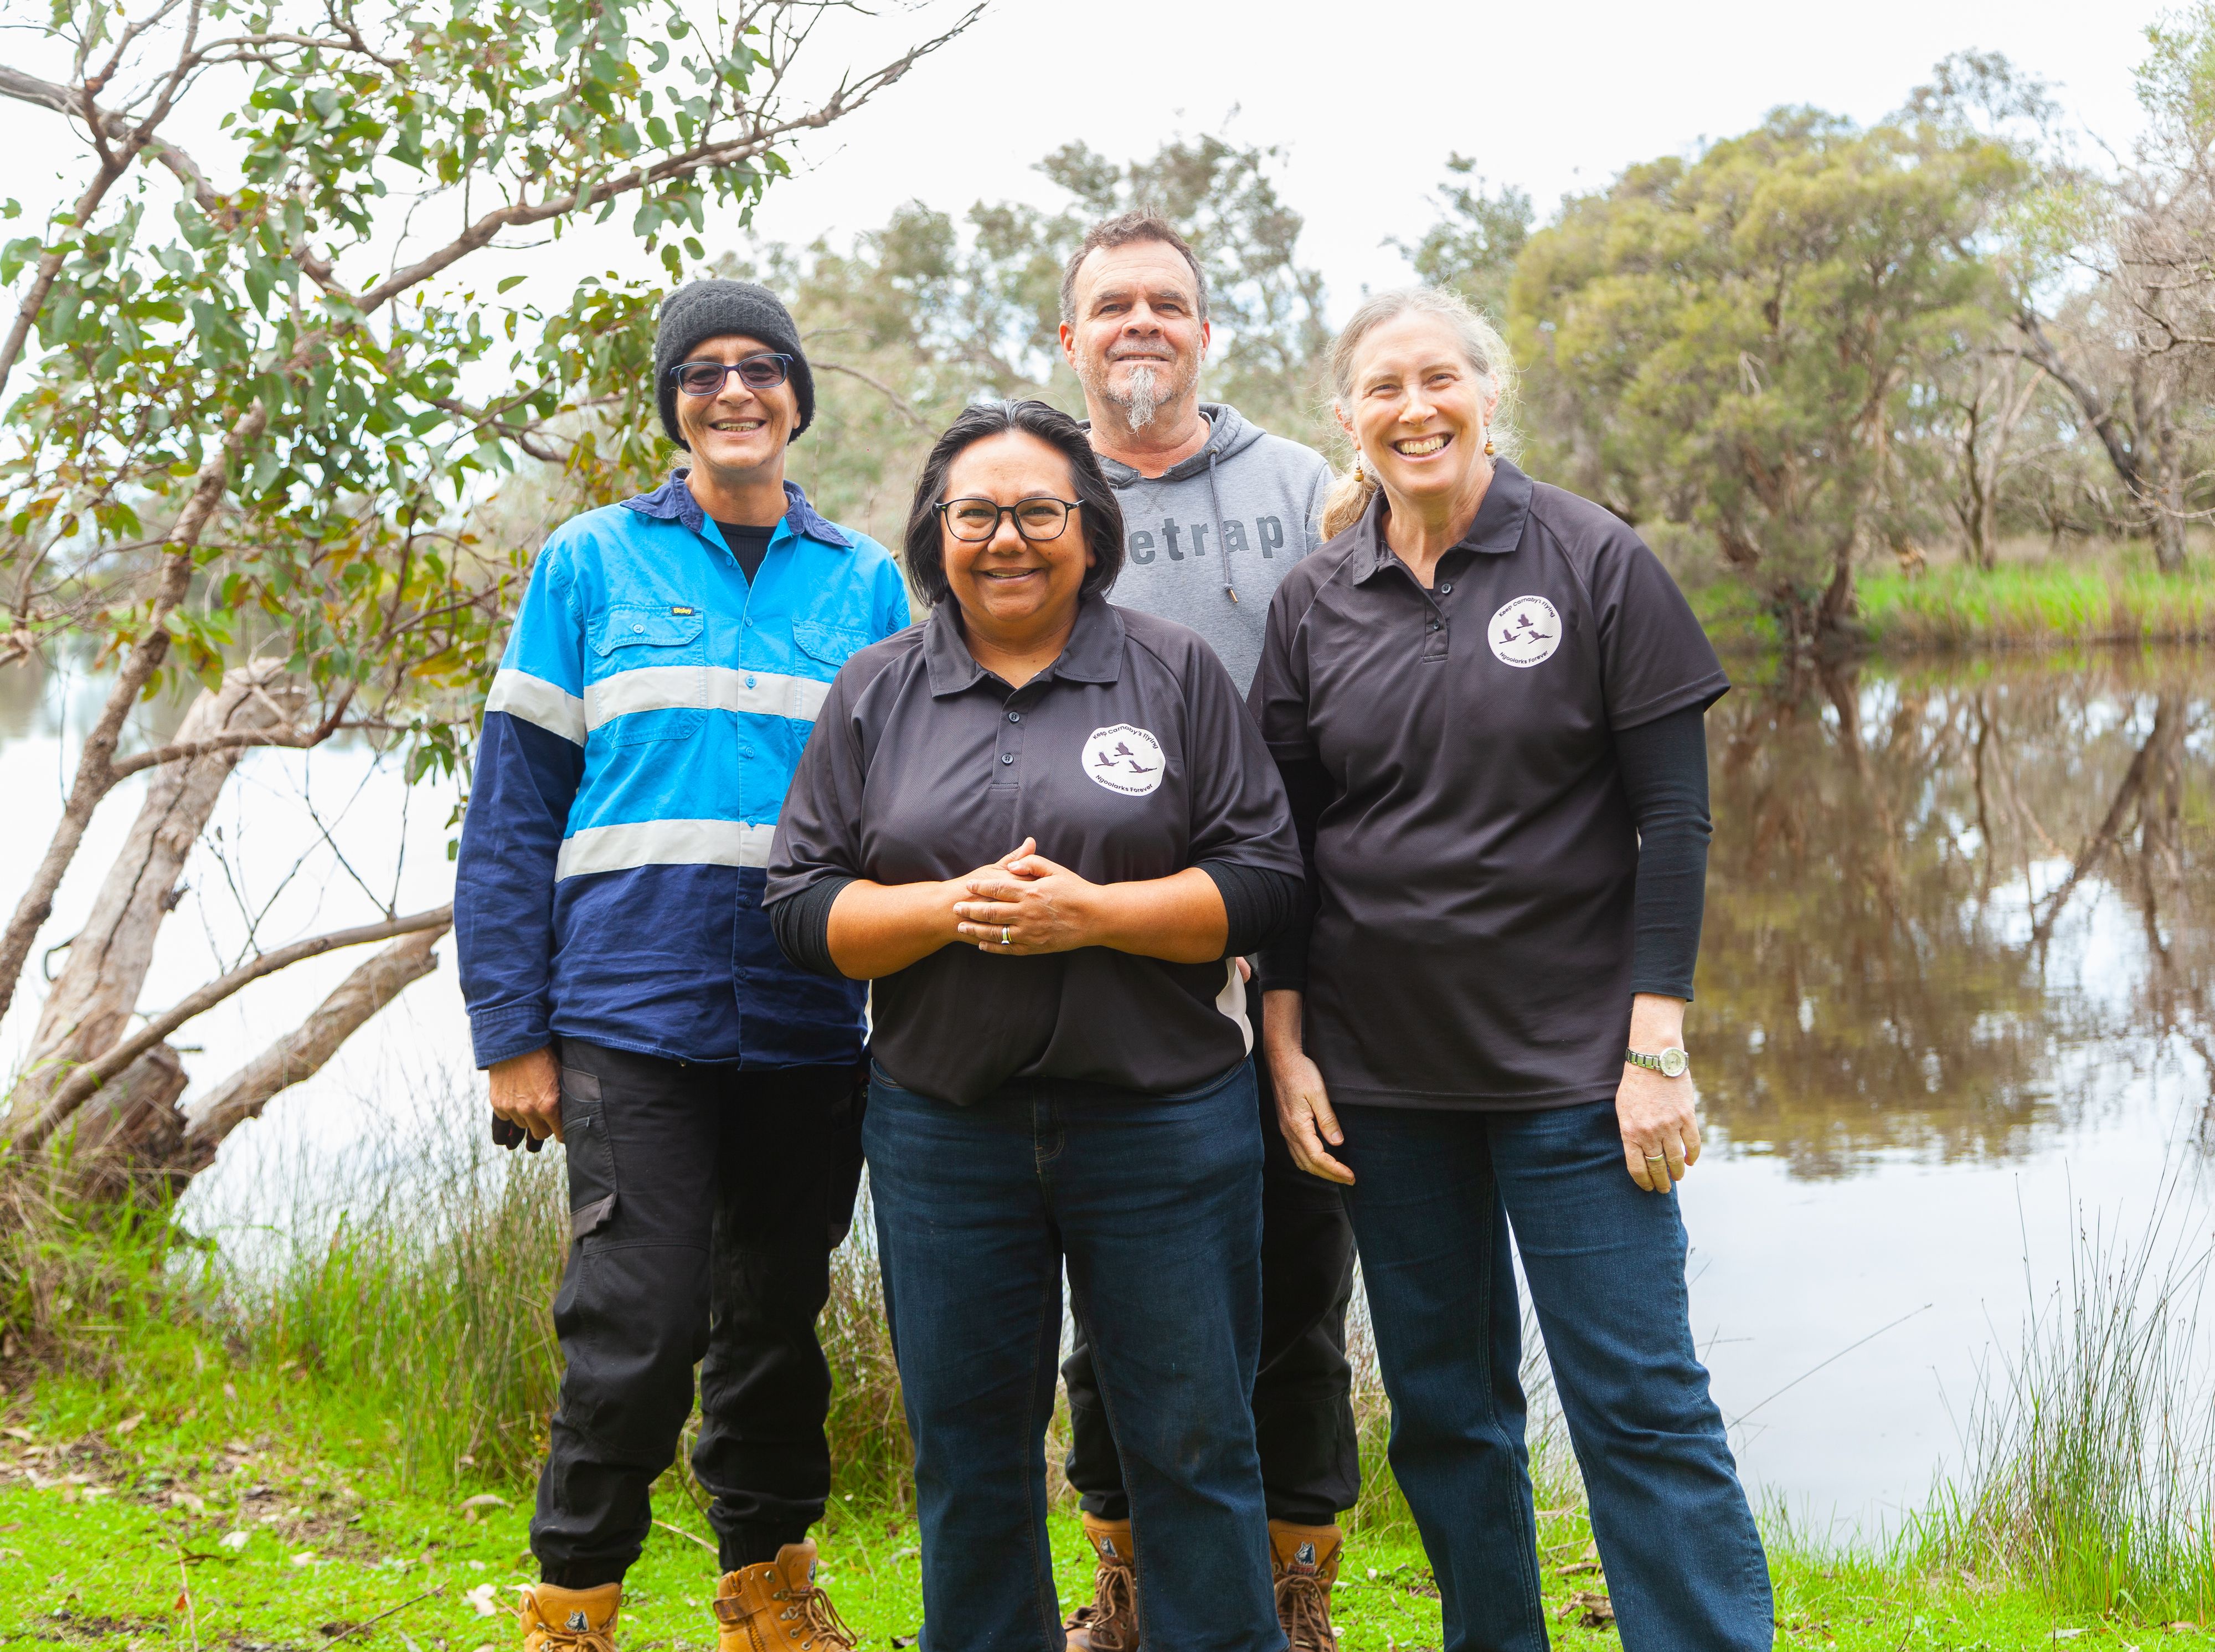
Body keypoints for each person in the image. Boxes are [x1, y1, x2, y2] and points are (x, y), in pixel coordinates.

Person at [1251, 286, 1773, 1652]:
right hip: (1383, 1079)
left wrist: (1654, 1043)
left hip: (1576, 1077)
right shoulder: (1315, 600)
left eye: (1438, 380)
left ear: (1488, 393)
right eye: (1382, 388)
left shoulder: (1596, 562)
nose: (1413, 408)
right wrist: (1286, 1040)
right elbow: (1289, 845)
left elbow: (1675, 818)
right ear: (1347, 421)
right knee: (1444, 1409)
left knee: (1639, 1399)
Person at [765, 399, 1304, 1652]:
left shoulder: (1173, 673)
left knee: (1195, 1443)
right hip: (944, 1133)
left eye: (1038, 512)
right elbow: (799, 907)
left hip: (1165, 1127)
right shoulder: (875, 692)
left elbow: (1265, 882)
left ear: (1090, 530)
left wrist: (1097, 913)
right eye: (976, 514)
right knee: (968, 1456)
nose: (1007, 539)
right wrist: (947, 909)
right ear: (934, 533)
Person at [454, 280, 911, 1652]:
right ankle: (572, 1607)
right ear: (672, 402)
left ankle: (767, 1597)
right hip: (623, 1019)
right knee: (634, 1330)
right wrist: (506, 1030)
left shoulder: (869, 583)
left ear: (793, 396)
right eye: (700, 372)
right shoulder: (590, 562)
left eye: (758, 368)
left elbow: (905, 814)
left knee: (774, 1329)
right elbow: (515, 813)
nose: (731, 392)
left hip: (806, 1022)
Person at [1055, 208, 1357, 1652]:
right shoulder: (1032, 502)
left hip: (1293, 975)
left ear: (1206, 331)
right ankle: (1124, 1592)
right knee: (1107, 1312)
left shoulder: (1307, 490)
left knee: (1301, 1290)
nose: (1140, 326)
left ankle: (1294, 1595)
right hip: (1100, 979)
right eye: (1112, 305)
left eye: (1166, 303)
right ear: (1071, 338)